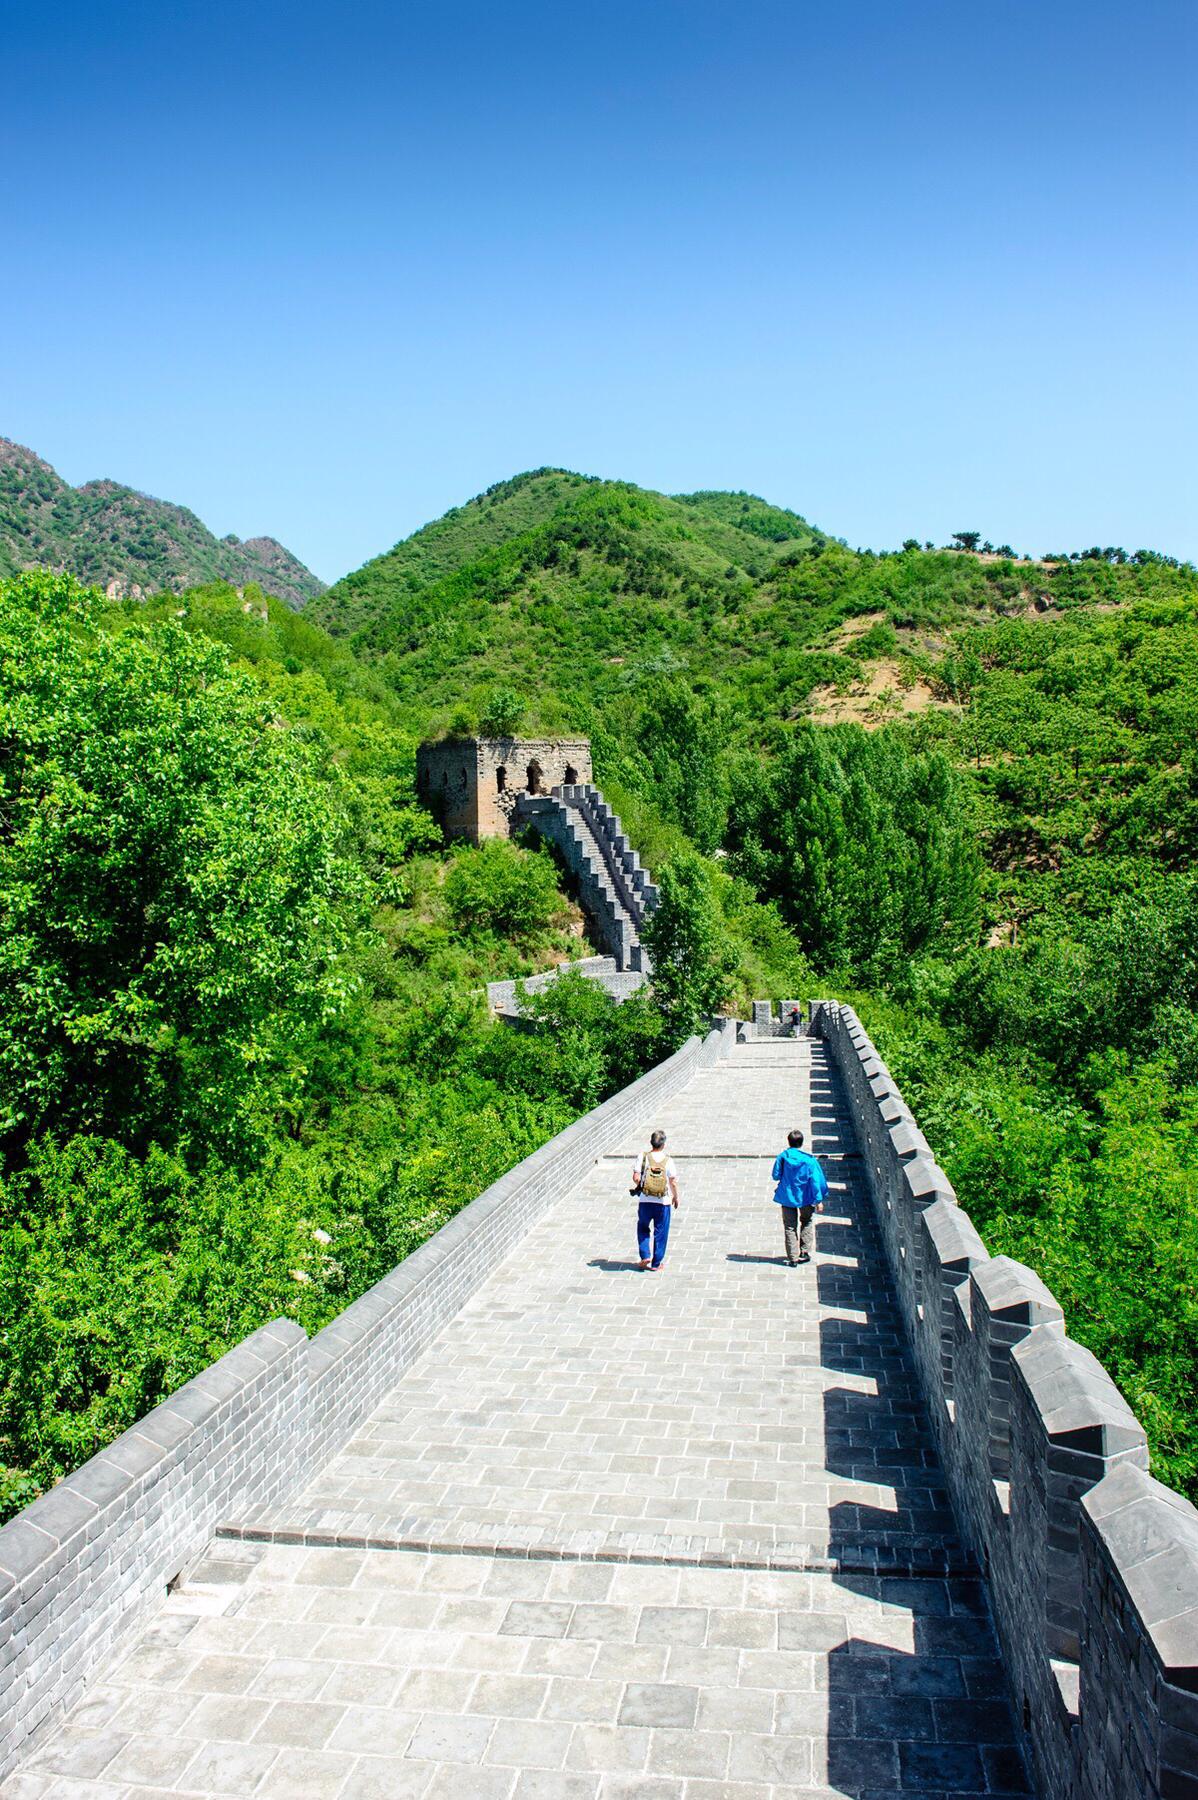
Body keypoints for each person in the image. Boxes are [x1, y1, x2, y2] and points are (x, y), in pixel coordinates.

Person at [771, 1127, 827, 1266]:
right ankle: (804, 1251)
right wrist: (818, 1200)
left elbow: (775, 1175)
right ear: (801, 1143)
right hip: (806, 1197)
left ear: (789, 1142)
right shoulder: (809, 1160)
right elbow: (815, 1181)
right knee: (806, 1221)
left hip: (787, 1196)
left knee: (789, 1226)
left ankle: (793, 1258)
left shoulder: (783, 1157)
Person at [631, 1129, 679, 1271]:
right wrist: (675, 1197)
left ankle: (645, 1254)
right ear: (663, 1144)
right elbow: (673, 1182)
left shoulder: (643, 1156)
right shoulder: (668, 1160)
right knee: (661, 1231)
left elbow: (636, 1178)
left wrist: (642, 1185)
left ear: (651, 1142)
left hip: (645, 1201)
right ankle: (656, 1263)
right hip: (662, 1202)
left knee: (643, 1227)